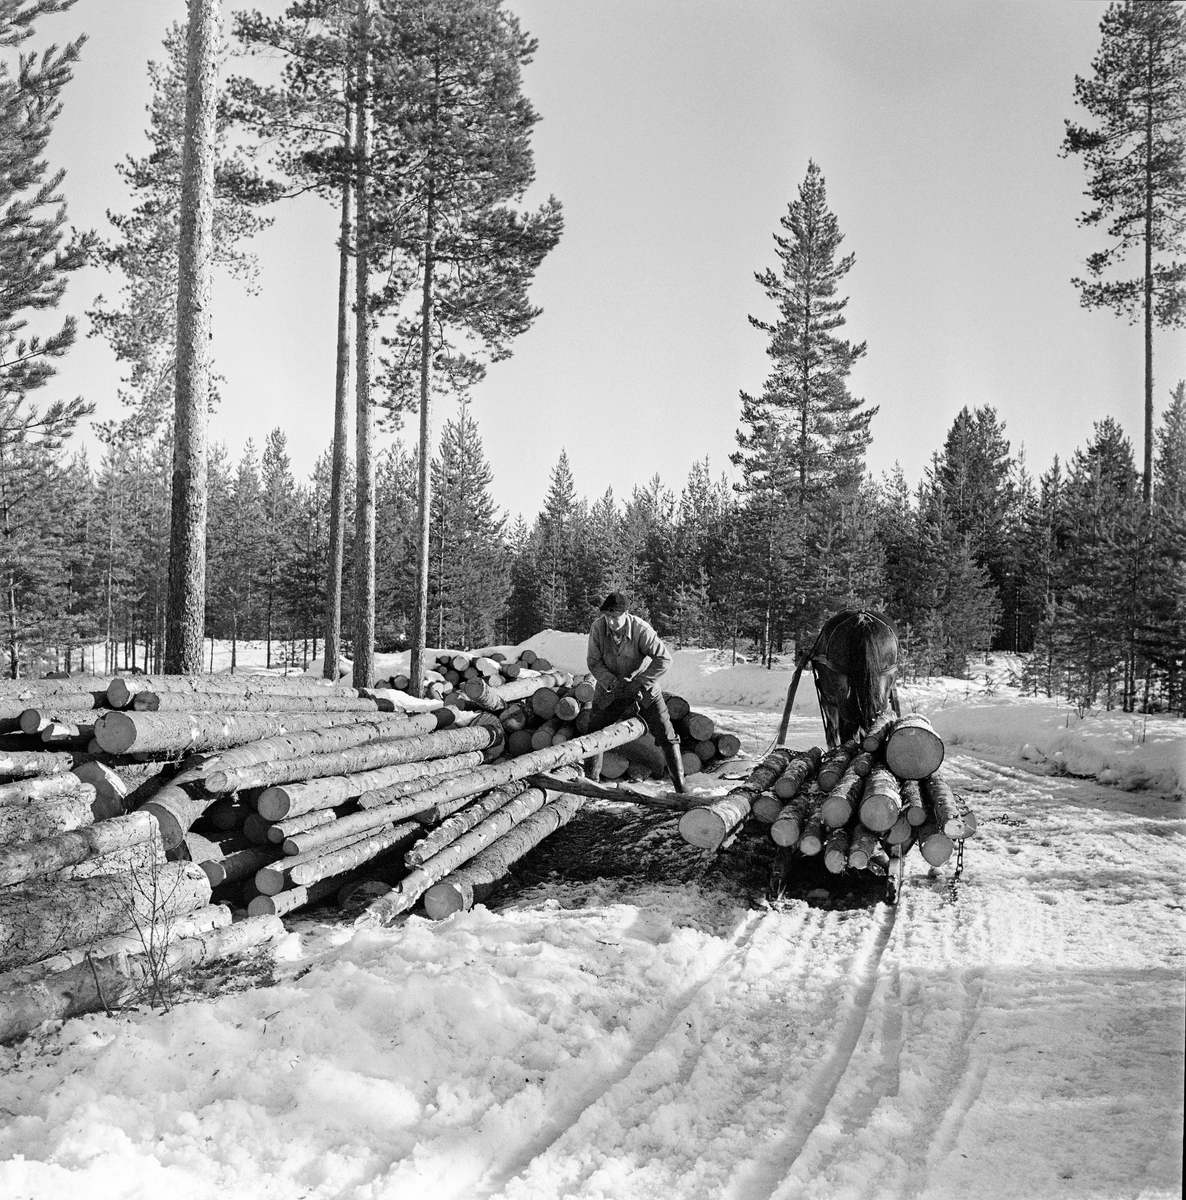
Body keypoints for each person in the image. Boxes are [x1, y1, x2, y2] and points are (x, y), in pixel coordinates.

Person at [584, 591, 687, 793]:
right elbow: (593, 662)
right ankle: (590, 785)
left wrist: (640, 682)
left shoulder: (641, 629)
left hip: (643, 690)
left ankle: (681, 789)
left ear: (626, 614)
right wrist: (612, 682)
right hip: (610, 690)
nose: (611, 622)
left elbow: (664, 659)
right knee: (593, 734)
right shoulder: (597, 628)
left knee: (667, 735)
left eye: (616, 618)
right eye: (608, 617)